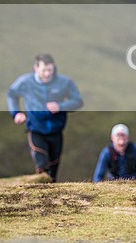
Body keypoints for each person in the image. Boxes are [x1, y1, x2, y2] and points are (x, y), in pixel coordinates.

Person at [7, 53, 84, 182]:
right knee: (43, 167)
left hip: (56, 132)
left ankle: (50, 198)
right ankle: (40, 193)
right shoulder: (25, 82)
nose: (47, 74)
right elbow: (11, 95)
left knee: (53, 174)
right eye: (44, 70)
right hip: (36, 130)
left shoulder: (64, 82)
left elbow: (78, 101)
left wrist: (61, 106)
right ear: (36, 68)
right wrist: (16, 113)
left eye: (50, 70)